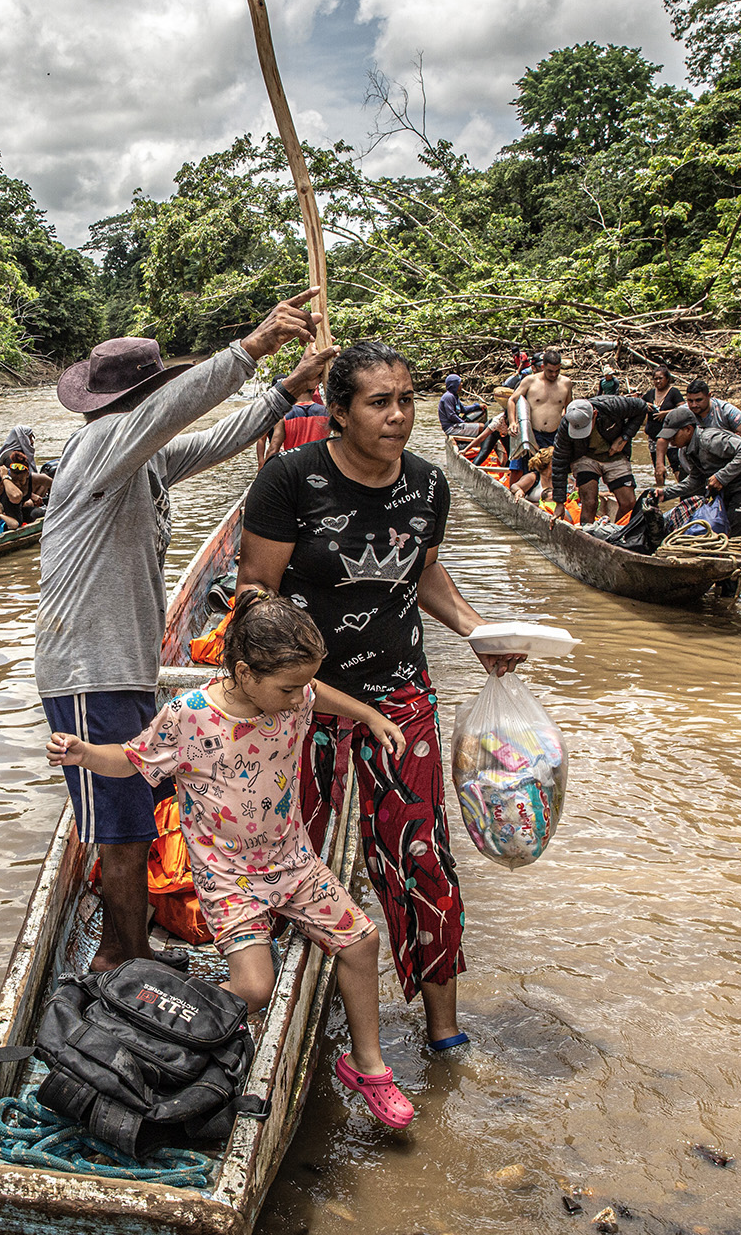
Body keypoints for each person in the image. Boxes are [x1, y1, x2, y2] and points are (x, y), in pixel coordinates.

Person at [238, 339, 525, 1057]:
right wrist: (291, 687)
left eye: (406, 400)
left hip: (400, 693)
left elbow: (423, 577)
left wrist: (476, 629)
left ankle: (443, 1029)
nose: (398, 416)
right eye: (379, 402)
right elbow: (253, 598)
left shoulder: (430, 486)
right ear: (338, 413)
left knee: (421, 852)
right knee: (286, 848)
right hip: (301, 701)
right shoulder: (288, 481)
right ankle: (270, 1011)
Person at [38, 290, 333, 974]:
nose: (165, 405)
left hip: (124, 664)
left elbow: (214, 437)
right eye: (159, 396)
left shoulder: (141, 460)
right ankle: (122, 953)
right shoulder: (98, 449)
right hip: (89, 667)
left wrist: (289, 388)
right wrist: (255, 347)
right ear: (142, 402)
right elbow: (181, 408)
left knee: (135, 813)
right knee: (121, 827)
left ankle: (128, 946)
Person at [47, 590, 416, 1128]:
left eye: (301, 687)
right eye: (288, 688)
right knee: (253, 988)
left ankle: (367, 1065)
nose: (298, 700)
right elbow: (131, 761)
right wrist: (84, 754)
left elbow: (319, 693)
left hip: (293, 861)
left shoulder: (293, 694)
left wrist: (369, 716)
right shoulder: (189, 717)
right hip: (229, 877)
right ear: (243, 672)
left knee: (361, 942)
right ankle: (161, 1029)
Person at [658, 407, 741, 536]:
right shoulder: (687, 450)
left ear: (688, 429)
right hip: (732, 482)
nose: (671, 441)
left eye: (673, 435)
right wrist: (666, 493)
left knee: (736, 531)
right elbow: (696, 480)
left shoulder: (710, 440)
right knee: (721, 526)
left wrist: (721, 477)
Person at [549, 395, 651, 524]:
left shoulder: (613, 406)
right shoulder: (565, 427)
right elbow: (559, 462)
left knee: (629, 502)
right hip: (584, 456)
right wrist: (559, 502)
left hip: (614, 455)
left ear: (595, 414)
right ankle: (587, 532)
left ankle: (619, 533)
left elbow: (642, 407)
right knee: (590, 502)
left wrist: (625, 437)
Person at [508, 349, 572, 475]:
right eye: (550, 371)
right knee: (530, 470)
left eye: (557, 371)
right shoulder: (530, 381)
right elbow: (512, 400)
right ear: (543, 366)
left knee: (553, 471)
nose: (554, 375)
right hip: (533, 434)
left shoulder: (566, 383)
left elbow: (568, 407)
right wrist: (512, 422)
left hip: (554, 435)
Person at [258, 387, 333, 465]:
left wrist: (264, 470)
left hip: (293, 467)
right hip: (319, 466)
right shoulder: (327, 414)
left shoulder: (285, 415)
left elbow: (273, 449)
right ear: (314, 390)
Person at [642, 364, 686, 481]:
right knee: (658, 466)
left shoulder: (674, 392)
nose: (658, 381)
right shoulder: (650, 394)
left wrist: (666, 413)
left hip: (671, 436)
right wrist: (644, 405)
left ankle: (681, 490)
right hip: (653, 435)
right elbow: (637, 405)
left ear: (667, 379)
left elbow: (684, 410)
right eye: (655, 379)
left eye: (660, 378)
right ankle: (660, 492)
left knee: (676, 464)